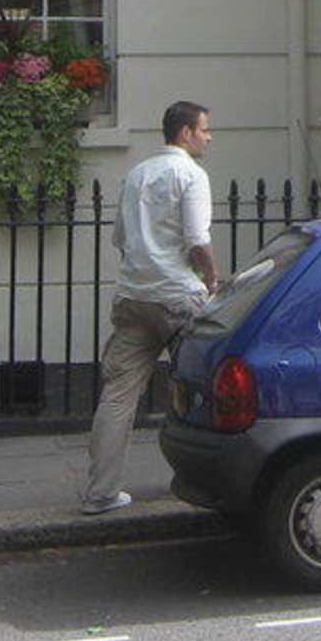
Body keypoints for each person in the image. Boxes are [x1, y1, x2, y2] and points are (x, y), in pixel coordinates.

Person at [80, 100, 219, 514]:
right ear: (185, 133)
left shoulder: (137, 174)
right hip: (178, 299)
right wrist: (212, 280)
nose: (209, 137)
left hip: (133, 297)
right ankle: (207, 483)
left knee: (117, 397)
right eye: (204, 129)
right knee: (205, 389)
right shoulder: (191, 175)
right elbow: (198, 241)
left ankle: (101, 492)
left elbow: (121, 240)